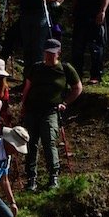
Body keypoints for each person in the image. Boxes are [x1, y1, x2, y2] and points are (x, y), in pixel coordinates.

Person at [20, 38, 82, 192]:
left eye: (52, 53)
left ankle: (53, 176)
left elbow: (77, 87)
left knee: (49, 141)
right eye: (47, 53)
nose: (49, 56)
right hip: (32, 109)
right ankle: (31, 178)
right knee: (31, 143)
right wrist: (23, 105)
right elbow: (27, 87)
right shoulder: (36, 68)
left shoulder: (65, 69)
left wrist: (65, 103)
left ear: (58, 53)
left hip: (51, 111)